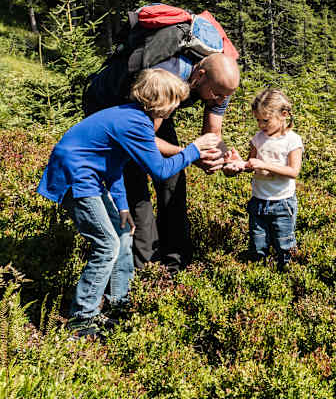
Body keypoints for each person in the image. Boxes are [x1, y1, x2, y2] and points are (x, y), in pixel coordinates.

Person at [37, 69, 221, 338]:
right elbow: (159, 170)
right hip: (75, 179)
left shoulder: (133, 118)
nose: (178, 106)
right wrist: (195, 149)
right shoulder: (134, 123)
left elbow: (115, 166)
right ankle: (82, 319)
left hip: (89, 176)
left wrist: (123, 208)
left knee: (123, 234)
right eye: (176, 102)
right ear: (165, 103)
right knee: (107, 244)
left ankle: (119, 305)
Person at [84, 51, 240, 272]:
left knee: (174, 180)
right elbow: (145, 139)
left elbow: (214, 134)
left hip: (159, 111)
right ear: (201, 75)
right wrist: (190, 153)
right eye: (216, 94)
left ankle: (174, 264)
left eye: (227, 96)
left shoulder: (220, 85)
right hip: (116, 111)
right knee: (136, 187)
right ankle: (141, 266)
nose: (220, 100)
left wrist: (226, 159)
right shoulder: (168, 74)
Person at [224, 89, 303, 270]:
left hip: (282, 203)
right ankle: (260, 278)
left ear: (283, 115)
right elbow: (252, 164)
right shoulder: (258, 139)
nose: (261, 125)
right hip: (258, 201)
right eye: (258, 120)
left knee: (285, 246)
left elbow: (293, 171)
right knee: (257, 245)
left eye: (265, 120)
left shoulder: (292, 141)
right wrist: (238, 163)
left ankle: (287, 278)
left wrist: (265, 165)